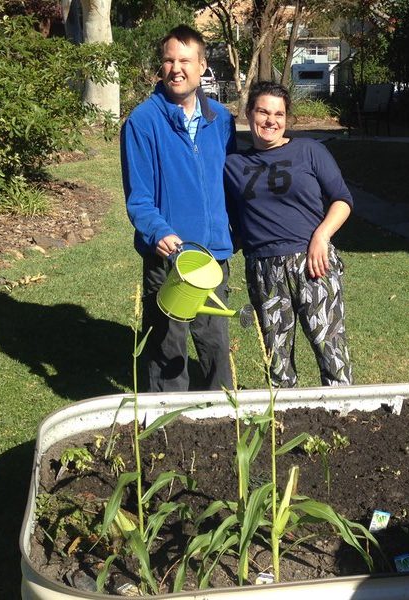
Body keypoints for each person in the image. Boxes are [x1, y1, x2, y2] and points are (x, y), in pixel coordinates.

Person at [120, 25, 235, 392]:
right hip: (168, 257)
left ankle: (224, 416)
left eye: (185, 60)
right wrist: (159, 232)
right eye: (169, 60)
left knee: (215, 344)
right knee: (167, 348)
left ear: (202, 66)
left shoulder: (221, 119)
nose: (176, 68)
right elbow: (138, 197)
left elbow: (232, 183)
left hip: (212, 256)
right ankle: (167, 428)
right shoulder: (143, 122)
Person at [224, 82, 353, 387]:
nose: (271, 120)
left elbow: (342, 200)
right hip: (263, 269)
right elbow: (234, 222)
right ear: (248, 113)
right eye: (263, 111)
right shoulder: (232, 165)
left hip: (313, 263)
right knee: (277, 361)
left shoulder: (309, 150)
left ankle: (344, 415)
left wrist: (322, 236)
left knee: (331, 349)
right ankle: (282, 426)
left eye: (279, 113)